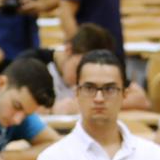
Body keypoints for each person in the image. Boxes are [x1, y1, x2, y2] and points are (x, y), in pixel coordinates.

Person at [19, 23, 147, 112]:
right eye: (78, 69)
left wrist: (87, 105)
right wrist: (52, 109)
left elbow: (141, 99)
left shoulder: (101, 70)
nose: (82, 78)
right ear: (69, 50)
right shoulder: (33, 62)